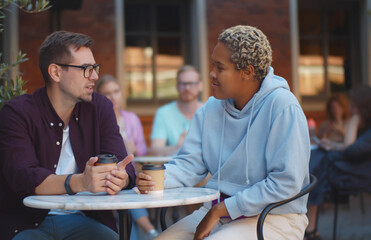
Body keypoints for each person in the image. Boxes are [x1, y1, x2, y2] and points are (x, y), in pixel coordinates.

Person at [136, 25, 310, 240]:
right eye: (213, 65)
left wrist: (223, 208)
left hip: (274, 217)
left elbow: (285, 182)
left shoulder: (283, 107)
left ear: (247, 72)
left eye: (220, 67)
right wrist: (155, 180)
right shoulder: (210, 109)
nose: (211, 74)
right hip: (217, 214)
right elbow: (189, 165)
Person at [0, 31, 136, 240]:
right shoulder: (17, 112)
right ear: (55, 72)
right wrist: (80, 182)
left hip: (86, 218)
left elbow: (120, 161)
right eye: (85, 69)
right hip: (26, 224)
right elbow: (25, 178)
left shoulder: (100, 107)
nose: (95, 76)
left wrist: (122, 178)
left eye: (95, 68)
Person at [96, 75, 158, 240]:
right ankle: (151, 231)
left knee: (130, 192)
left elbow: (143, 153)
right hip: (108, 177)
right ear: (99, 97)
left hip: (133, 174)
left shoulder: (131, 119)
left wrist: (133, 149)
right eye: (107, 93)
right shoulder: (96, 121)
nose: (113, 97)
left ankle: (148, 233)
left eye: (116, 91)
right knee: (128, 194)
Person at [305, 86, 371, 240]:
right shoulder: (364, 126)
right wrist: (333, 146)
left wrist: (353, 122)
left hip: (352, 174)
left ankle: (310, 229)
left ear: (362, 106)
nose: (351, 109)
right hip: (343, 167)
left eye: (353, 106)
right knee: (315, 165)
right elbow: (351, 148)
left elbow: (351, 151)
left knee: (315, 169)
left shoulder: (358, 124)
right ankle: (311, 230)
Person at [148, 65, 203, 156]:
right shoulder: (163, 113)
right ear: (177, 86)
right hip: (174, 167)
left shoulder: (209, 111)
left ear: (200, 86)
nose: (187, 88)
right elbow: (155, 151)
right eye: (183, 84)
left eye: (192, 83)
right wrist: (178, 147)